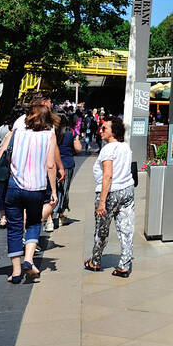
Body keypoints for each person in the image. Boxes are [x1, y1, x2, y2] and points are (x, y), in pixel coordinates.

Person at [0, 99, 58, 284]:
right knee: (32, 224)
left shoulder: (16, 133)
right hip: (37, 188)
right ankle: (29, 260)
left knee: (14, 228)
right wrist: (53, 190)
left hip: (14, 187)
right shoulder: (49, 135)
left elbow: (0, 155)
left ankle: (16, 273)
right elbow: (50, 165)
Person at [85, 116, 136, 276]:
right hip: (127, 190)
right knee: (126, 229)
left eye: (104, 128)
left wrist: (102, 202)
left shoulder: (108, 149)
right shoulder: (126, 147)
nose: (101, 130)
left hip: (110, 193)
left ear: (113, 132)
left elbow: (108, 176)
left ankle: (95, 260)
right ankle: (124, 265)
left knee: (102, 229)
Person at [53, 111, 82, 226]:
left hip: (53, 164)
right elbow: (78, 148)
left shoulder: (52, 133)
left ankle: (50, 218)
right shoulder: (71, 132)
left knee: (52, 189)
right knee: (64, 189)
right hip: (67, 164)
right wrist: (77, 138)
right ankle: (60, 215)